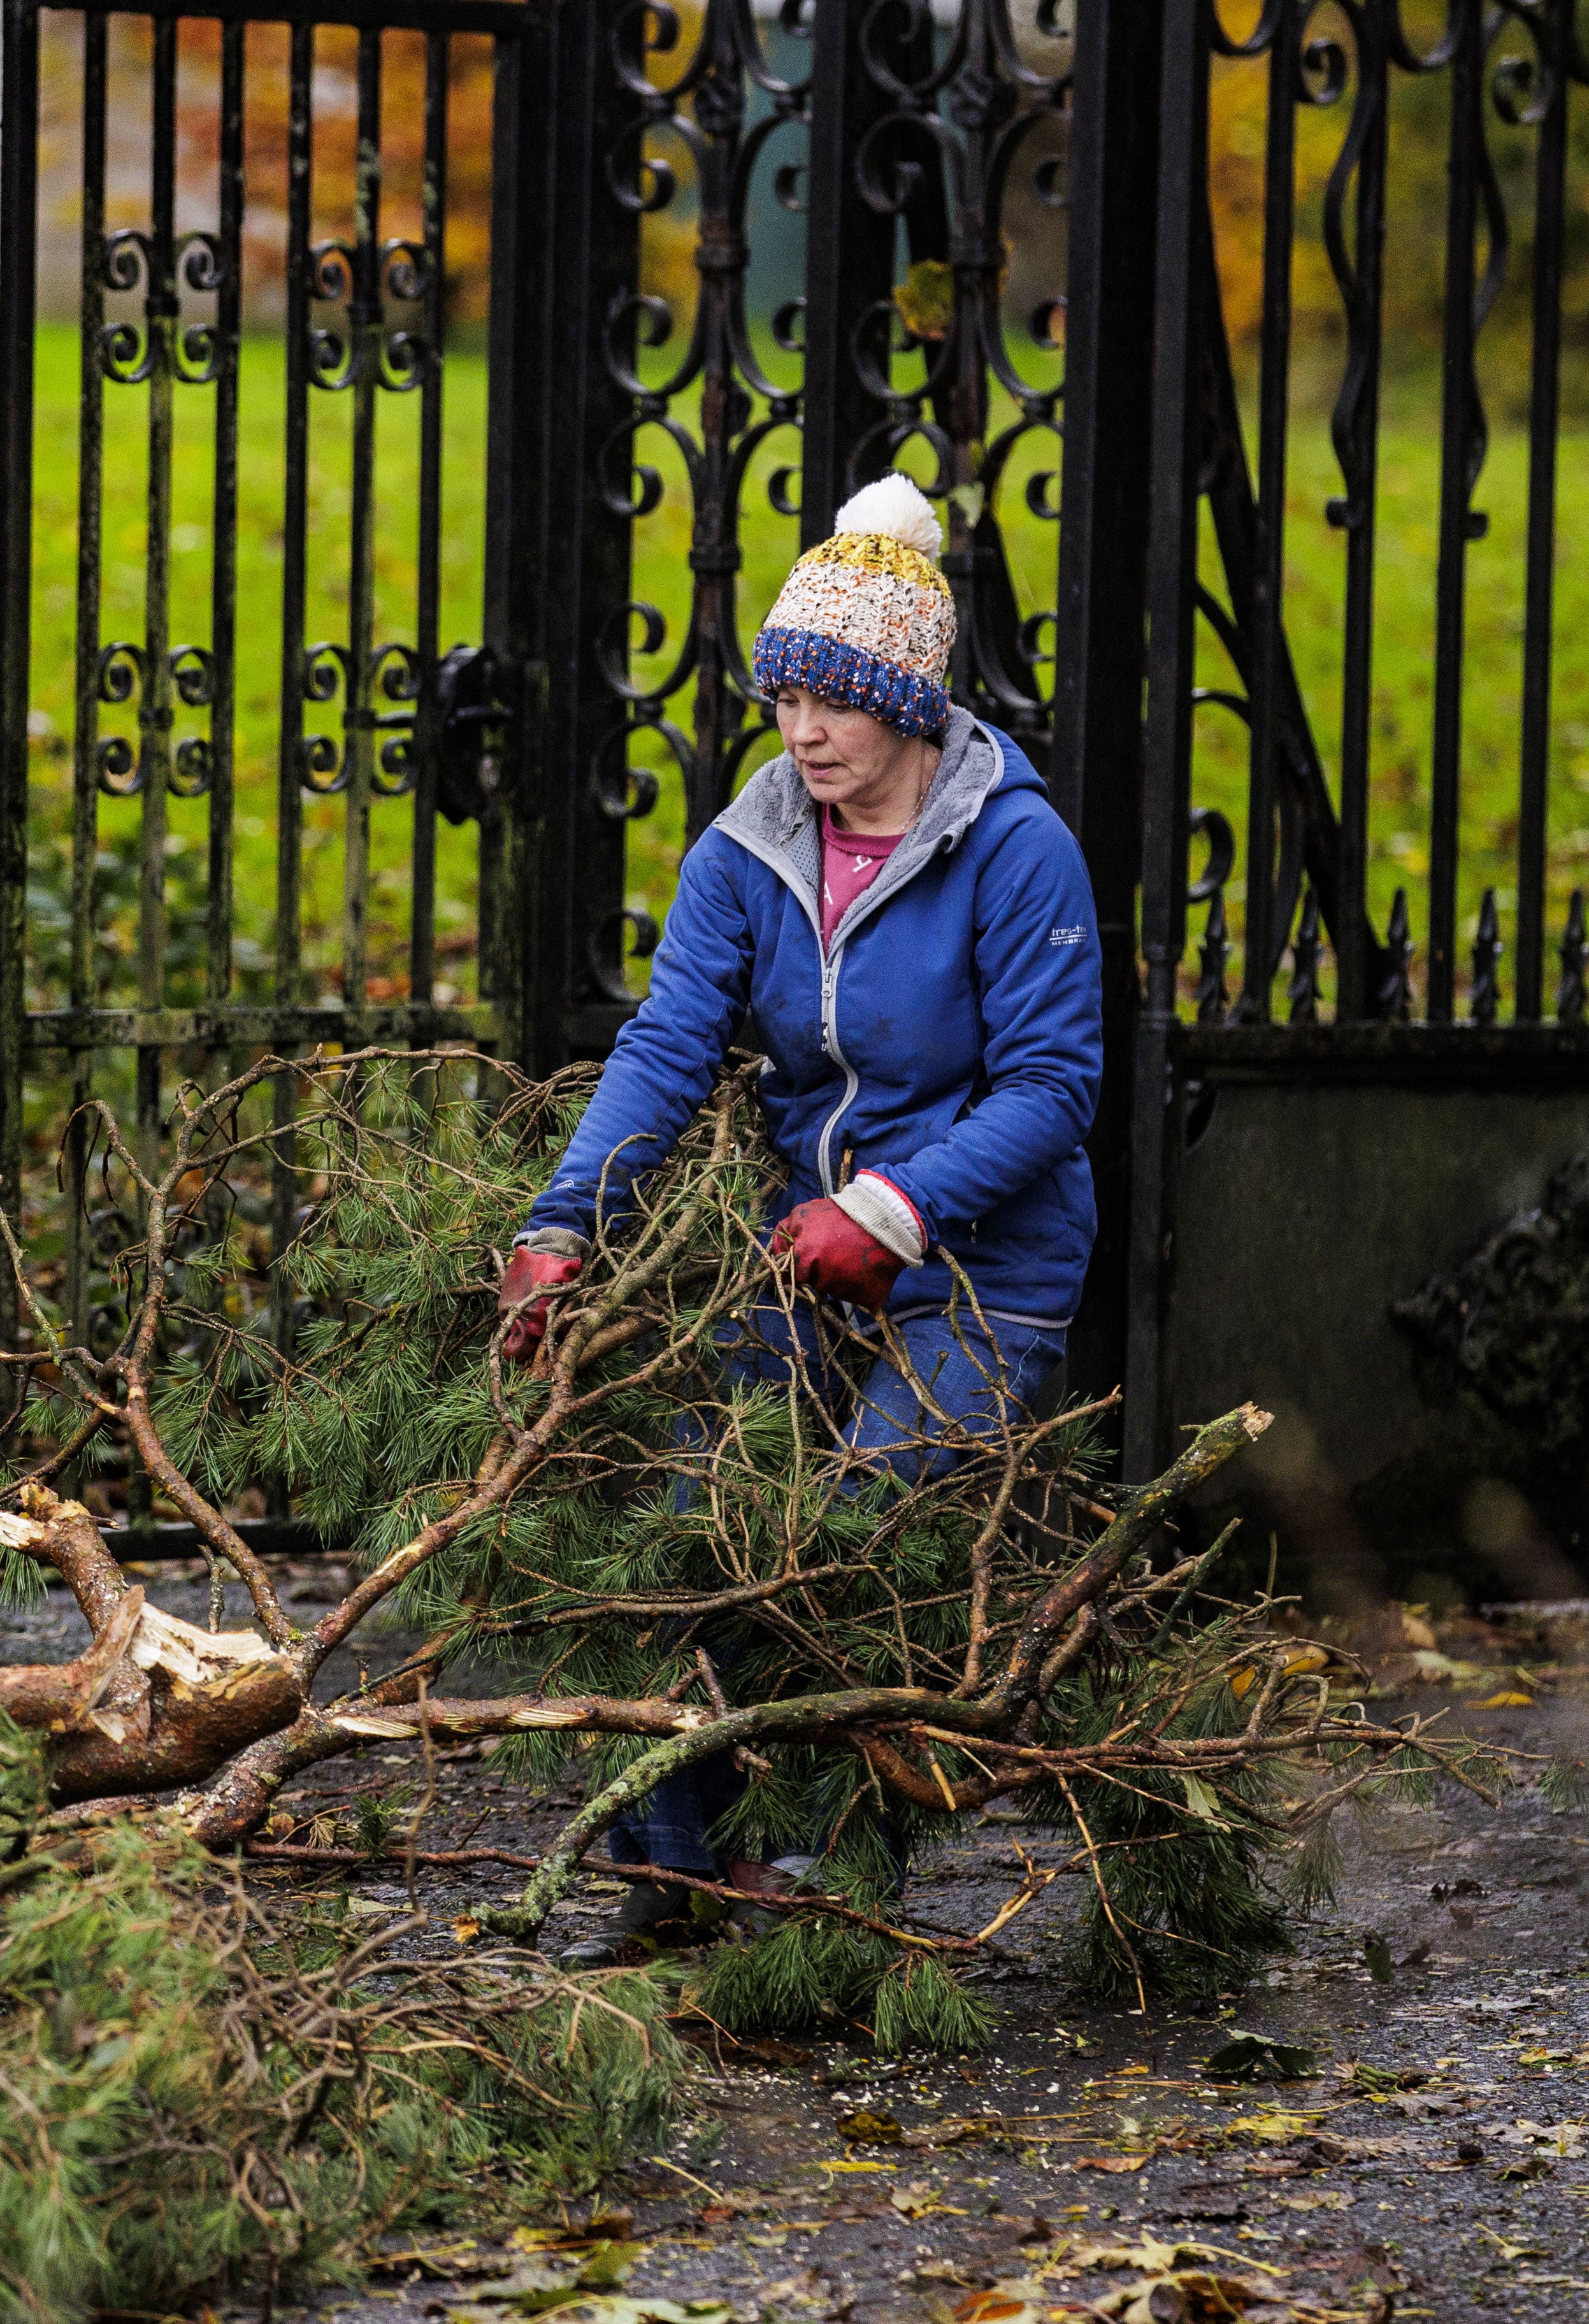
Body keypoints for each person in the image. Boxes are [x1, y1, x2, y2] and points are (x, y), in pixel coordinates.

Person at [491, 473, 1103, 1953]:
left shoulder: (1013, 849)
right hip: (801, 1252)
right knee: (709, 1520)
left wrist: (890, 1208)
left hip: (982, 1264)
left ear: (908, 701)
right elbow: (664, 1046)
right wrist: (561, 1224)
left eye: (835, 701)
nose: (804, 732)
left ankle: (830, 1876)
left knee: (848, 1552)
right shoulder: (749, 848)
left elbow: (1053, 1089)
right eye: (783, 698)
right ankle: (683, 1863)